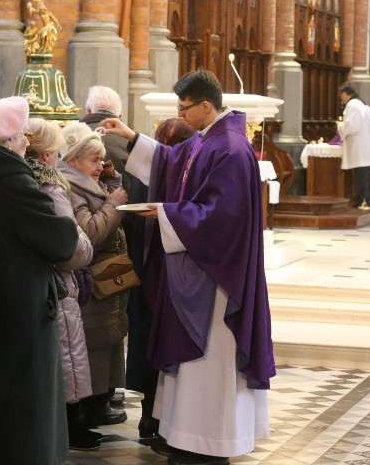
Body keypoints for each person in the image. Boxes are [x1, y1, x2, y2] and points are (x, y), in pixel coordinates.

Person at [99, 69, 274, 465]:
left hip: (216, 277)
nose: (178, 116)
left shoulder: (228, 147)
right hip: (202, 268)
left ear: (206, 106)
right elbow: (173, 161)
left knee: (209, 360)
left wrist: (163, 213)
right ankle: (187, 436)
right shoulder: (209, 139)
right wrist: (130, 137)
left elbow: (221, 217)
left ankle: (209, 441)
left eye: (183, 108)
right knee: (193, 365)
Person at [0, 96, 79, 465]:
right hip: (21, 308)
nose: (26, 141)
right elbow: (62, 240)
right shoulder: (12, 181)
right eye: (21, 135)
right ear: (7, 141)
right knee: (25, 409)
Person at [24, 117, 99, 451]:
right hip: (58, 282)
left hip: (40, 281)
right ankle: (71, 428)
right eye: (55, 152)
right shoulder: (51, 188)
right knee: (68, 356)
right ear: (45, 156)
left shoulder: (19, 184)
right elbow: (72, 246)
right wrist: (84, 244)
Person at [125, 118, 196, 441]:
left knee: (147, 343)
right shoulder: (185, 174)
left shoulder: (145, 169)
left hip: (145, 269)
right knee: (159, 343)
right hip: (167, 271)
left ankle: (148, 417)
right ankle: (160, 418)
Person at [58, 122, 130, 429]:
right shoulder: (71, 187)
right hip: (91, 281)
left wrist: (109, 179)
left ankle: (101, 403)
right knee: (94, 345)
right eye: (94, 161)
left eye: (102, 160)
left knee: (109, 341)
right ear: (74, 160)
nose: (100, 166)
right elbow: (89, 233)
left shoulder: (87, 180)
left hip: (107, 279)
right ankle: (89, 410)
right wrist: (113, 205)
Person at [336, 84, 370, 209]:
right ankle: (366, 201)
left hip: (360, 148)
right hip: (365, 147)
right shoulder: (362, 104)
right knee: (365, 175)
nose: (341, 98)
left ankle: (361, 201)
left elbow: (351, 127)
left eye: (341, 95)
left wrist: (339, 125)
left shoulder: (353, 105)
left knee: (361, 176)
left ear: (345, 94)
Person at [80, 85, 131, 194]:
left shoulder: (71, 137)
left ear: (89, 111)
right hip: (125, 207)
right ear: (120, 116)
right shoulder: (132, 142)